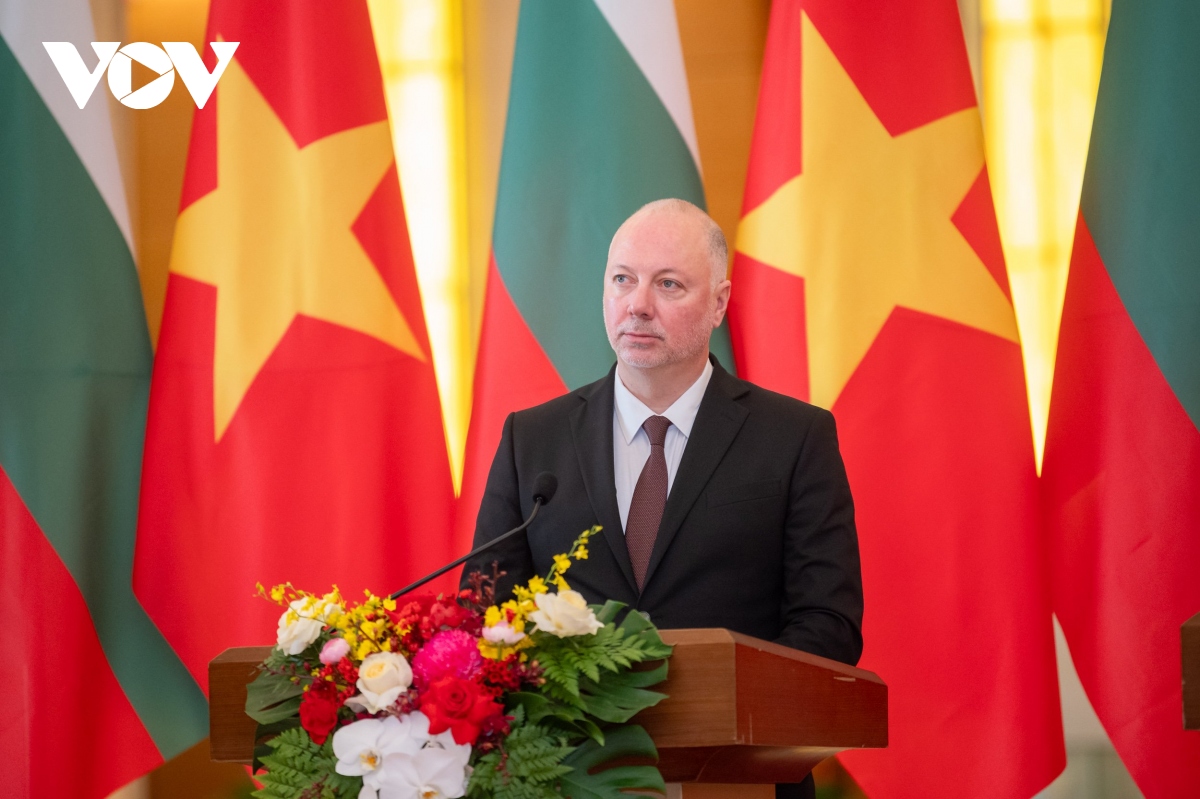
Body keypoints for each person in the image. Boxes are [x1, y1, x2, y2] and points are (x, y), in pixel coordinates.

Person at [464, 199, 863, 799]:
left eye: (668, 284)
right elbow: (482, 612)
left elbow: (828, 623)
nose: (638, 304)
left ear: (719, 304)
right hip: (565, 775)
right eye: (623, 279)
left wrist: (729, 714)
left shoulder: (794, 437)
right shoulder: (533, 438)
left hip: (740, 776)